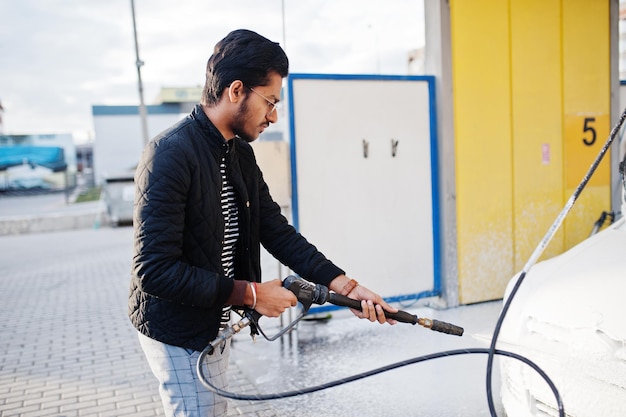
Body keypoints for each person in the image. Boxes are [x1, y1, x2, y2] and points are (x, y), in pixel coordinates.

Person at [128, 28, 397, 417]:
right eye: (270, 101)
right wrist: (251, 294)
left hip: (211, 321)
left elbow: (276, 231)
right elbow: (153, 271)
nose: (274, 115)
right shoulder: (169, 155)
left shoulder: (238, 155)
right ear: (236, 91)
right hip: (176, 329)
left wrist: (346, 286)